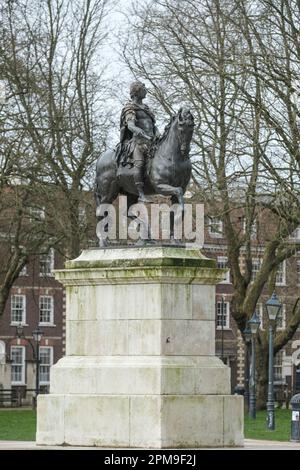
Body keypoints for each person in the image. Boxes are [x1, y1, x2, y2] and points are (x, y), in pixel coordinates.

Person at [118, 81, 160, 203]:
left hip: (152, 141)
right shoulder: (129, 108)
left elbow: (153, 125)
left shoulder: (146, 108)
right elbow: (130, 125)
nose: (146, 91)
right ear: (136, 92)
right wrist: (139, 131)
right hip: (138, 141)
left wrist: (156, 132)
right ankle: (141, 194)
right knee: (139, 163)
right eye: (143, 89)